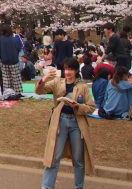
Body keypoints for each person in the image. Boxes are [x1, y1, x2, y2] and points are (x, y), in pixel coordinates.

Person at [35, 57, 95, 189]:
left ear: (76, 71)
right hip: (60, 121)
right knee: (53, 157)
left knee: (79, 159)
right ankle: (47, 186)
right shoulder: (57, 82)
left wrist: (77, 106)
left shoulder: (82, 87)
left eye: (71, 69)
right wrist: (45, 78)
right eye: (66, 69)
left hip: (76, 123)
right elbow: (39, 91)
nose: (68, 72)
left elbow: (91, 107)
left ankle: (79, 186)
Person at [0, 25, 23, 95]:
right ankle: (17, 92)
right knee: (15, 78)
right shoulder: (14, 39)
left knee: (6, 79)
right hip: (14, 61)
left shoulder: (1, 39)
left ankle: (7, 93)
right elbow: (19, 48)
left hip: (4, 61)